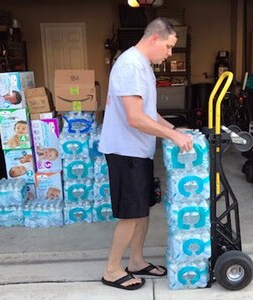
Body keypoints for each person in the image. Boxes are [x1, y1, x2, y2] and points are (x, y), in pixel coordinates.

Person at [98, 17, 193, 291]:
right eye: (169, 46)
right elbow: (135, 119)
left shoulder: (143, 66)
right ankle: (112, 269)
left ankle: (136, 261)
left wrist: (176, 129)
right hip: (125, 151)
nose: (169, 53)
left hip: (139, 151)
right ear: (154, 39)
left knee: (142, 209)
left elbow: (149, 114)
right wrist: (173, 136)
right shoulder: (130, 65)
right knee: (130, 213)